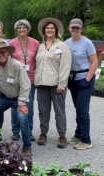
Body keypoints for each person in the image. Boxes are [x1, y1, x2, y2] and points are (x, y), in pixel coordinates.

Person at [0, 42, 32, 156]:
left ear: (8, 53)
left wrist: (22, 103)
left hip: (18, 98)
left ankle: (27, 147)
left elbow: (25, 85)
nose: (0, 55)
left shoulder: (17, 65)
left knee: (22, 118)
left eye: (2, 52)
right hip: (4, 97)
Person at [35, 18, 71, 148]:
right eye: (47, 28)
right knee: (43, 111)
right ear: (44, 31)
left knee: (59, 111)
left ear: (56, 30)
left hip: (56, 85)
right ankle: (43, 133)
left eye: (52, 28)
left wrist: (62, 84)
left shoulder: (62, 46)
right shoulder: (40, 46)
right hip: (42, 84)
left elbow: (65, 66)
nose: (49, 30)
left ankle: (62, 136)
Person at [65, 18, 97, 150]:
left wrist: (87, 79)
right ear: (69, 28)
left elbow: (94, 62)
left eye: (77, 28)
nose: (75, 29)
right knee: (77, 108)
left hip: (85, 78)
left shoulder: (87, 43)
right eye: (73, 27)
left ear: (81, 29)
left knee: (82, 109)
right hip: (73, 79)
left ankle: (86, 139)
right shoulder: (66, 42)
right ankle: (78, 135)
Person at [9, 20, 40, 142]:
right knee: (15, 105)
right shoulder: (11, 43)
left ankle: (28, 129)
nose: (22, 29)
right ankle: (16, 131)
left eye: (24, 27)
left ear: (28, 29)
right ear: (16, 30)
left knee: (29, 105)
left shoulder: (35, 43)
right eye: (19, 27)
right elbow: (8, 62)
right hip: (15, 80)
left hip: (30, 78)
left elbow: (39, 60)